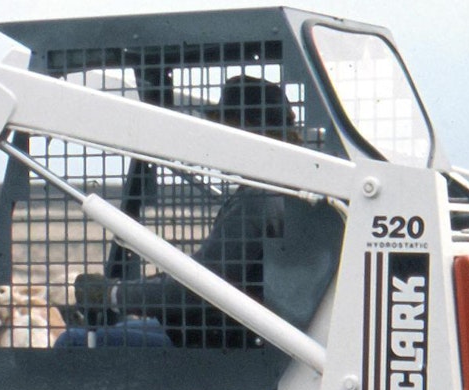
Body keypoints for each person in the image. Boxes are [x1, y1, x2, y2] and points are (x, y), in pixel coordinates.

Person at [75, 75, 318, 348]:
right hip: (241, 336)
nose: (217, 140)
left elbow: (202, 288)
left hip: (227, 346)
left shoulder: (258, 200)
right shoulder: (286, 191)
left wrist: (114, 294)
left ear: (248, 130)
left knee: (72, 343)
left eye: (224, 128)